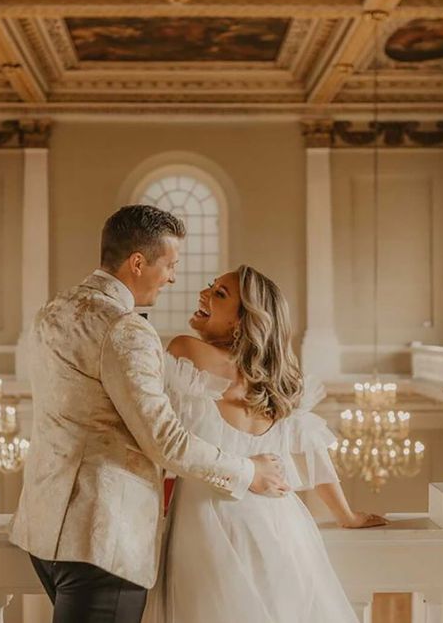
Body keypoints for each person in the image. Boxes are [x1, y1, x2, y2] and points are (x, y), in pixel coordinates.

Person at [9, 206, 289, 623]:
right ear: (138, 263)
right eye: (170, 265)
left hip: (43, 530)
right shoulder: (126, 328)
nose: (173, 277)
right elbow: (166, 441)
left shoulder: (52, 312)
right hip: (103, 536)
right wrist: (248, 471)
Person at [143, 265, 388, 623]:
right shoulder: (283, 382)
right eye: (211, 287)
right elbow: (314, 453)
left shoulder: (186, 351)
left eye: (219, 294)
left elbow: (161, 436)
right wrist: (346, 516)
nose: (203, 294)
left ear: (241, 322)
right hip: (282, 527)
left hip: (210, 528)